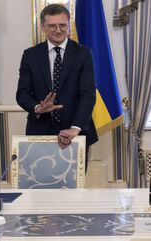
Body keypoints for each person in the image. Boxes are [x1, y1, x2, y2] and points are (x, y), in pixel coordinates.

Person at [16, 4, 97, 150]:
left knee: (74, 174)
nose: (58, 30)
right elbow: (22, 93)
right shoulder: (30, 55)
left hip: (74, 132)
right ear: (43, 26)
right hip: (39, 131)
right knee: (39, 173)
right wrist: (37, 108)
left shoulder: (83, 54)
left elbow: (88, 94)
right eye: (52, 26)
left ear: (69, 25)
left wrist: (75, 128)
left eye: (62, 25)